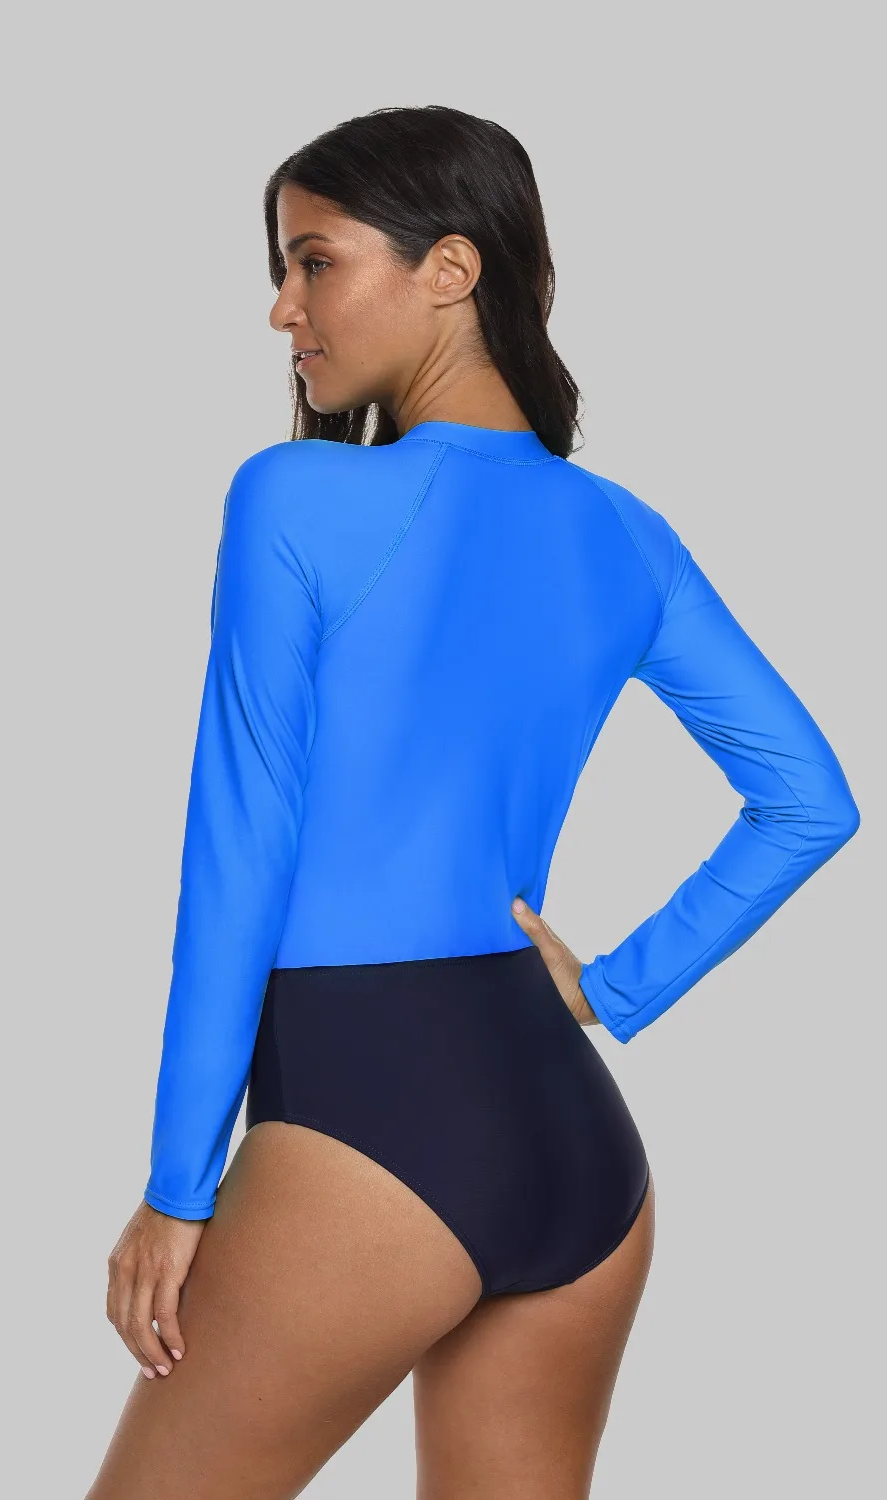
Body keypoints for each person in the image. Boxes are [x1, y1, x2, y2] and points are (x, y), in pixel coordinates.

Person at [86, 106, 861, 1500]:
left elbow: (242, 854)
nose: (283, 310)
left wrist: (176, 1186)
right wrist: (613, 992)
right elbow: (809, 799)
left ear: (450, 268)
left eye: (314, 262)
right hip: (576, 1146)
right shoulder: (623, 532)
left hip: (370, 1116)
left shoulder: (295, 497)